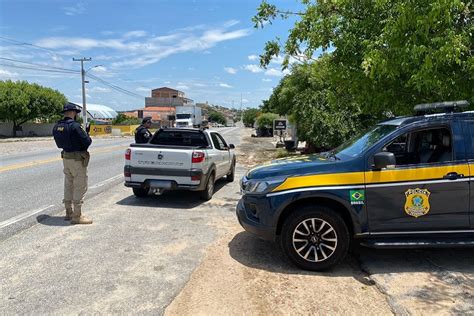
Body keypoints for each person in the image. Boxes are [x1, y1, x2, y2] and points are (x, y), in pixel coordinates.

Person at [52, 103, 93, 224]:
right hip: (77, 159)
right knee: (80, 186)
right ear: (73, 113)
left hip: (66, 158)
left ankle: (68, 211)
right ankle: (77, 215)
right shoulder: (75, 126)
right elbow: (87, 142)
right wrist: (87, 134)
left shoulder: (57, 126)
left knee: (68, 185)